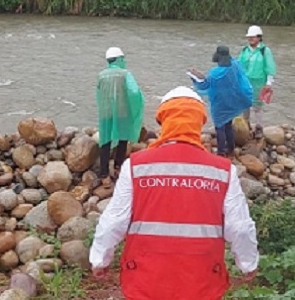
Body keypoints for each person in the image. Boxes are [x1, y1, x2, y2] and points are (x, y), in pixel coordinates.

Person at [89, 86, 260, 300]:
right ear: (199, 123)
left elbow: (114, 221)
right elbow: (239, 227)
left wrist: (100, 259)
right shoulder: (223, 171)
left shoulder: (136, 166)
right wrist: (248, 263)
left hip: (145, 281)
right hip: (201, 283)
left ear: (163, 121)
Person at [95, 47, 145, 190]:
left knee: (105, 141)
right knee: (123, 138)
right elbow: (134, 92)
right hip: (122, 111)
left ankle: (104, 174)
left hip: (105, 112)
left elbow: (98, 93)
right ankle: (118, 167)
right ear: (119, 59)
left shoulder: (101, 75)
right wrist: (139, 103)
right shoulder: (125, 74)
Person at [188, 45, 253, 157]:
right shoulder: (235, 65)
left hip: (220, 103)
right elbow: (241, 78)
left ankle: (221, 152)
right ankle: (231, 149)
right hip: (231, 100)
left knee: (220, 127)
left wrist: (195, 76)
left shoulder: (215, 73)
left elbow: (205, 85)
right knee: (228, 125)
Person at [238, 25, 276, 131]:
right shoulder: (245, 50)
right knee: (245, 104)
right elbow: (239, 66)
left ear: (259, 37)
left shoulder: (265, 51)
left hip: (259, 82)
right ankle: (246, 126)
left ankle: (259, 127)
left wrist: (269, 82)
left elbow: (270, 66)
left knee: (257, 106)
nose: (250, 39)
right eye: (249, 37)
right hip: (245, 81)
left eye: (253, 37)